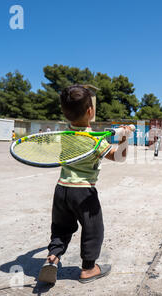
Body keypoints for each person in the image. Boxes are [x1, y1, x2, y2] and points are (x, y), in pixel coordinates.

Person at [37, 84, 133, 284]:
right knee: (93, 228)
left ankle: (53, 257)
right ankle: (89, 268)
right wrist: (124, 137)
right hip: (83, 192)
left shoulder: (66, 135)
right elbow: (119, 157)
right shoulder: (94, 140)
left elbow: (82, 128)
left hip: (62, 189)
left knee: (61, 228)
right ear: (90, 111)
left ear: (65, 113)